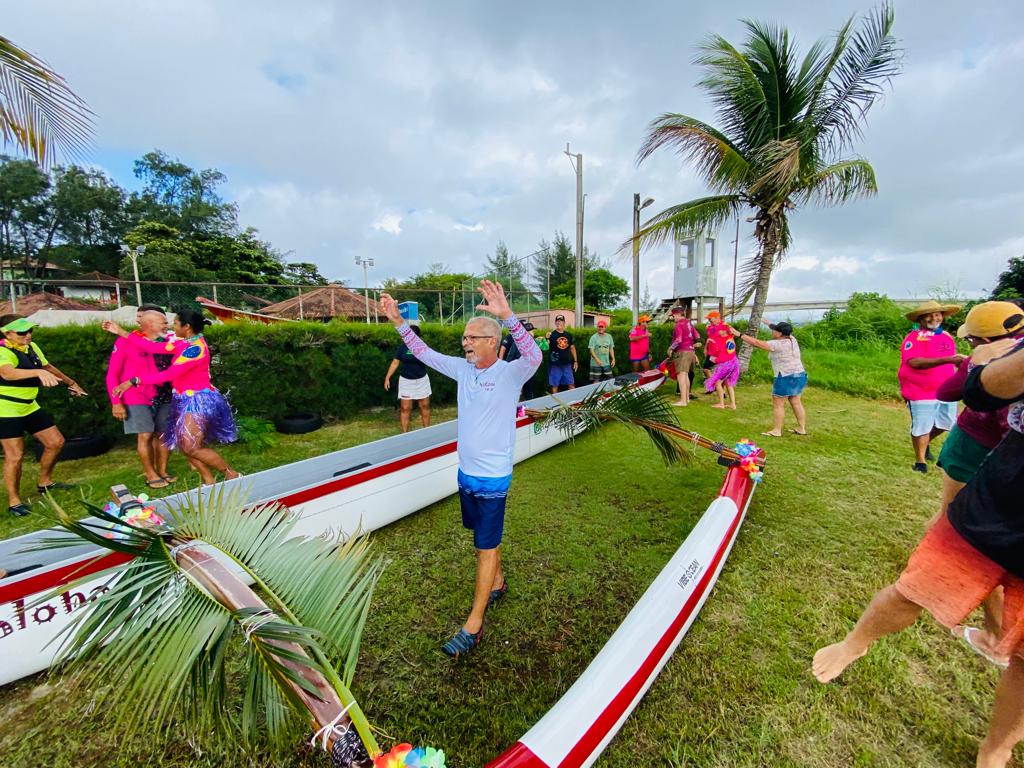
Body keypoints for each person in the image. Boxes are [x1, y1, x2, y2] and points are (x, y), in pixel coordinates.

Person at [813, 333, 1024, 768]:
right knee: (915, 588)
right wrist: (985, 359)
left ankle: (998, 746)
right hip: (999, 501)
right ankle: (855, 642)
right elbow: (977, 392)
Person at [379, 281, 541, 658]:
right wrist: (397, 321)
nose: (465, 342)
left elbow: (533, 355)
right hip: (465, 473)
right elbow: (422, 351)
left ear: (491, 341)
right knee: (482, 539)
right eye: (464, 337)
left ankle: (474, 624)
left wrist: (507, 316)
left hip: (492, 477)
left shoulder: (510, 373)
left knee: (485, 546)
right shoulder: (462, 369)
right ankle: (498, 582)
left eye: (472, 337)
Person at [933, 302, 1024, 664]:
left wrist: (975, 362)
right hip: (1003, 456)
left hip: (981, 452)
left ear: (982, 338)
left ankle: (994, 634)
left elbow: (951, 390)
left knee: (962, 530)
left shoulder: (994, 357)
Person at [102, 309, 240, 486]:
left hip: (197, 401)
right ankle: (208, 480)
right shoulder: (184, 343)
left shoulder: (194, 349)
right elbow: (152, 346)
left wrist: (135, 380)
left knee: (191, 446)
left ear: (187, 327)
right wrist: (120, 332)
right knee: (185, 445)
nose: (171, 327)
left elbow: (168, 375)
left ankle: (232, 475)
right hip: (184, 399)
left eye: (175, 323)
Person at [0, 315, 86, 516]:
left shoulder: (32, 347)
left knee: (55, 442)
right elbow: (8, 374)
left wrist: (71, 383)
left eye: (30, 330)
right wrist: (36, 373)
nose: (28, 335)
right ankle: (14, 502)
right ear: (7, 333)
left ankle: (45, 483)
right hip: (6, 409)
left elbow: (47, 367)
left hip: (30, 406)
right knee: (15, 455)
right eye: (22, 332)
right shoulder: (3, 351)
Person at [106, 305, 178, 488]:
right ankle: (150, 473)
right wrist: (116, 402)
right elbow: (112, 374)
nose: (166, 325)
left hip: (163, 393)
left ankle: (162, 470)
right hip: (135, 395)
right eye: (163, 322)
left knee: (163, 433)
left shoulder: (165, 342)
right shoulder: (124, 342)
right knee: (145, 435)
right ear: (149, 324)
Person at [898, 300, 965, 473]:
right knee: (922, 424)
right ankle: (920, 461)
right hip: (919, 389)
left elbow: (952, 361)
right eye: (929, 315)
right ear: (920, 319)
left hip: (944, 388)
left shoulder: (946, 337)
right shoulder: (913, 337)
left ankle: (925, 442)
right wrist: (949, 360)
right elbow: (914, 362)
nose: (934, 318)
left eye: (937, 314)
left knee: (946, 423)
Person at [733, 321, 807, 436]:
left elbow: (756, 343)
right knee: (796, 401)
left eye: (774, 330)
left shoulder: (776, 344)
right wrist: (769, 323)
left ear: (779, 333)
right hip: (799, 375)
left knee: (778, 403)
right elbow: (780, 330)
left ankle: (777, 431)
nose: (772, 331)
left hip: (785, 376)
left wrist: (739, 335)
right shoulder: (792, 339)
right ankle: (801, 428)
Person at [384, 324, 431, 432]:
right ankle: (405, 435)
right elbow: (395, 363)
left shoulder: (423, 346)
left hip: (422, 380)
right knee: (405, 408)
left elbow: (432, 360)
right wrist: (387, 378)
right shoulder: (402, 348)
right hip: (406, 381)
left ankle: (427, 432)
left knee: (424, 407)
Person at [703, 311, 739, 409]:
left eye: (710, 318)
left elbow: (720, 356)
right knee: (728, 383)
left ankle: (721, 404)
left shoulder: (723, 339)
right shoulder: (728, 339)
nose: (709, 320)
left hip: (726, 363)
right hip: (733, 361)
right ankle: (733, 404)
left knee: (717, 382)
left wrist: (715, 358)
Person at [667, 307, 701, 406]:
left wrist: (670, 348)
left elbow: (678, 340)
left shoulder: (679, 324)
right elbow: (697, 336)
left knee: (681, 376)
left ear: (678, 314)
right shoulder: (689, 323)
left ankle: (683, 401)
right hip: (691, 351)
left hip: (682, 351)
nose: (673, 318)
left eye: (673, 316)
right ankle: (686, 399)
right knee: (685, 376)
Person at [499, 320, 536, 400]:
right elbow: (509, 356)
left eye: (532, 330)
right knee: (517, 391)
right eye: (530, 331)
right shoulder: (516, 342)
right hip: (517, 370)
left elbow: (541, 351)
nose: (532, 332)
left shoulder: (533, 341)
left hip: (528, 371)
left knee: (528, 390)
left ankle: (528, 409)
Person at [546, 314, 577, 393]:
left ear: (564, 323)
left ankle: (573, 402)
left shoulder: (569, 335)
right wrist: (546, 338)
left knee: (571, 384)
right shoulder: (551, 335)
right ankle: (555, 404)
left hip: (567, 364)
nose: (559, 323)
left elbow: (572, 348)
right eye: (557, 321)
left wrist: (576, 361)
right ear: (555, 323)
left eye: (561, 321)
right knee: (555, 385)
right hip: (555, 364)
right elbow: (545, 347)